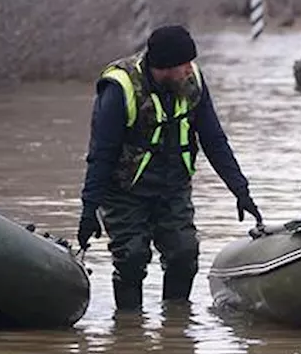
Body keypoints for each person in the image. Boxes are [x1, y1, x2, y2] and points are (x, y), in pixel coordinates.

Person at [78, 25, 261, 311]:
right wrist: (89, 209)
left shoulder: (193, 83)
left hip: (173, 187)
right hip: (125, 190)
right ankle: (128, 328)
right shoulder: (119, 88)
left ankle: (175, 325)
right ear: (164, 67)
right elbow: (101, 153)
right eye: (184, 64)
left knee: (184, 254)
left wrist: (240, 190)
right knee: (132, 258)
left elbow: (214, 140)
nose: (191, 69)